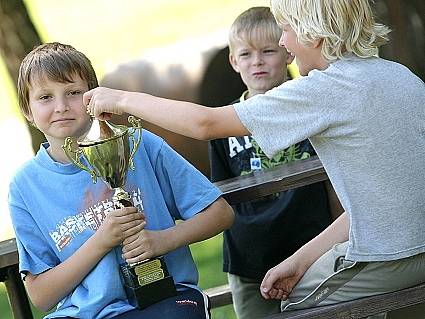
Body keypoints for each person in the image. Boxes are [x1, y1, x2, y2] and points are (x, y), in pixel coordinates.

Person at [84, 0, 425, 317]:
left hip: (396, 254)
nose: (284, 41)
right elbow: (374, 206)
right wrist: (300, 259)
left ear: (314, 33)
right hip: (410, 245)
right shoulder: (400, 76)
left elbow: (207, 123)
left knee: (294, 305)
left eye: (287, 29)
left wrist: (122, 98)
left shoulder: (326, 89)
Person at [8, 42, 234, 319]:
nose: (61, 107)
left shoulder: (139, 145)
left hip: (164, 298)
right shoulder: (24, 187)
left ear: (93, 97)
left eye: (73, 93)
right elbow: (41, 296)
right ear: (27, 110)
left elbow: (220, 213)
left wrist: (163, 240)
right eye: (45, 97)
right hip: (83, 314)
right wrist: (102, 240)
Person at [207, 7, 342, 319]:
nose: (257, 61)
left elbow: (334, 181)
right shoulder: (221, 126)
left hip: (313, 248)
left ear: (288, 53)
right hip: (250, 259)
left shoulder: (312, 110)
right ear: (233, 61)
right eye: (246, 54)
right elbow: (222, 197)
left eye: (268, 51)